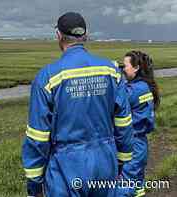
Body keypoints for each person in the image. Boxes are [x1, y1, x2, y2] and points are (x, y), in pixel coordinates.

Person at [21, 12, 133, 197]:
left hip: (66, 167)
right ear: (86, 36)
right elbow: (124, 122)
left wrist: (34, 183)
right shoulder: (111, 71)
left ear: (58, 35)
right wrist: (121, 160)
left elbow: (38, 136)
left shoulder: (48, 77)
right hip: (106, 160)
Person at [117, 51, 159, 197]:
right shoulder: (144, 86)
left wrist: (114, 75)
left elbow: (118, 99)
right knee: (137, 184)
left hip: (132, 144)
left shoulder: (135, 89)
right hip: (140, 143)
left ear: (136, 68)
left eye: (125, 65)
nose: (123, 69)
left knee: (124, 186)